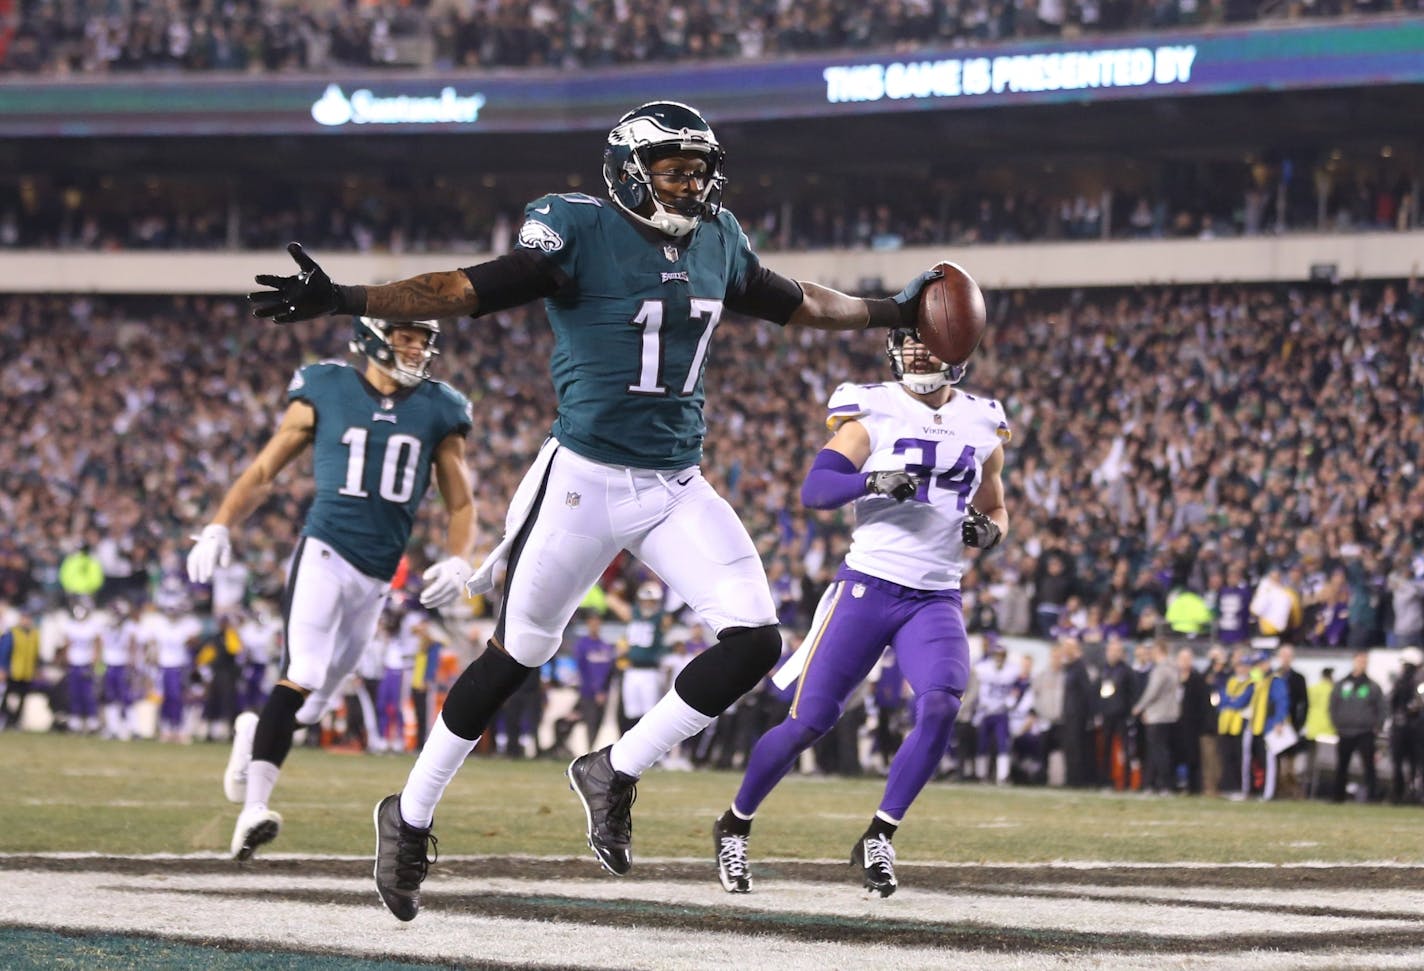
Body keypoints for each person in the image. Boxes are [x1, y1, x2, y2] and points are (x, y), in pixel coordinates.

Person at [247, 101, 945, 919]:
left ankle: (615, 766)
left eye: (698, 168)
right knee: (514, 657)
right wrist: (347, 296)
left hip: (676, 480)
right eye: (674, 169)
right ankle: (408, 815)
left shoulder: (720, 237)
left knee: (755, 638)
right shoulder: (574, 228)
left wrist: (894, 313)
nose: (691, 183)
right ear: (627, 170)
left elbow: (800, 302)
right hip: (583, 478)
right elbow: (466, 288)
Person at [709, 327, 1009, 896]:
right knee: (809, 722)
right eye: (912, 342)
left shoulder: (983, 419)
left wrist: (990, 532)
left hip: (937, 595)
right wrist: (869, 480)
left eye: (930, 342)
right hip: (868, 587)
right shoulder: (872, 408)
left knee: (943, 704)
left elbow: (996, 504)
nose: (918, 354)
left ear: (959, 348)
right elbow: (815, 489)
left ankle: (879, 835)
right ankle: (735, 824)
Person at [186, 315, 475, 861]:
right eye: (405, 337)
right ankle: (254, 810)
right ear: (373, 336)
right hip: (325, 550)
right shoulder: (327, 387)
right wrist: (221, 522)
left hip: (377, 575)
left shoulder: (440, 407)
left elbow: (461, 503)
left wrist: (460, 560)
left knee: (314, 706)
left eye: (423, 341)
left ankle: (253, 731)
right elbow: (266, 468)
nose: (415, 349)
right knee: (306, 672)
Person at [1329, 651, 1386, 802]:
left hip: (1365, 731)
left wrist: (1378, 726)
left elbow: (1381, 708)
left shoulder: (1373, 686)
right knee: (1342, 765)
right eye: (1359, 661)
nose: (1361, 664)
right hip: (1345, 731)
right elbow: (1333, 705)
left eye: (1364, 661)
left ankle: (1372, 796)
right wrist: (1337, 723)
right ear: (1353, 662)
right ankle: (1338, 796)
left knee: (1369, 766)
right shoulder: (1341, 684)